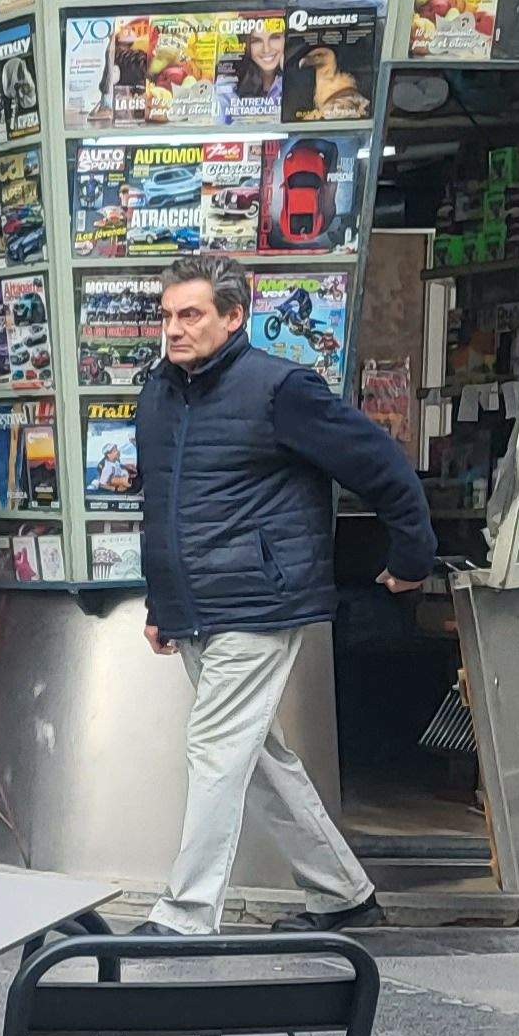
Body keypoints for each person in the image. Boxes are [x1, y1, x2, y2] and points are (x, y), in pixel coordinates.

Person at [136, 253, 436, 936]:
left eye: (191, 314)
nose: (174, 329)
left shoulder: (281, 389)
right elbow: (162, 507)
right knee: (258, 759)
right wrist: (160, 602)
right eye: (167, 315)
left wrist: (412, 556)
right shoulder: (159, 392)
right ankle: (343, 896)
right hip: (195, 605)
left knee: (216, 747)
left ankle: (185, 915)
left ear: (233, 317)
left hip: (259, 602)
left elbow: (381, 465)